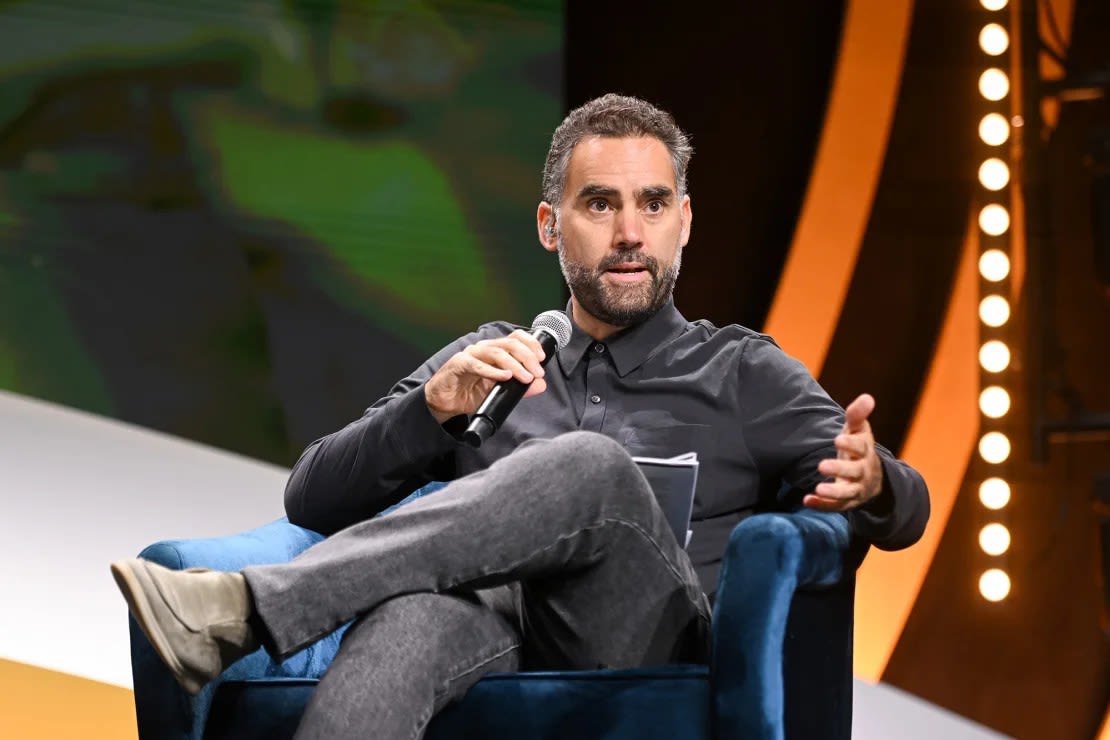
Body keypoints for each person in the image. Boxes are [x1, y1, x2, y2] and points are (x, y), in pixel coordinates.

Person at [111, 93, 929, 739]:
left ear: (685, 221)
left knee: (587, 466)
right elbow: (313, 498)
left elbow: (907, 510)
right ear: (550, 225)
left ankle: (244, 610)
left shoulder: (741, 370)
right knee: (408, 620)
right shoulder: (489, 361)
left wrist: (876, 481)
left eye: (652, 204)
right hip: (492, 635)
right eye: (600, 205)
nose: (631, 233)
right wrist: (430, 411)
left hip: (648, 641)